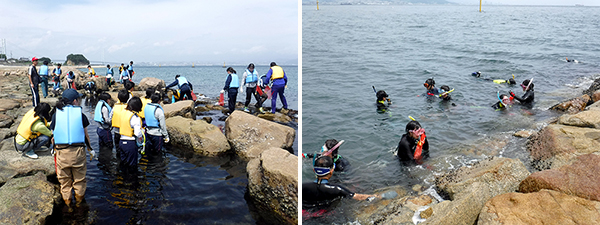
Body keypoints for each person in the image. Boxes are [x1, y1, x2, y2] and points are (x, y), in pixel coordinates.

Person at [51, 88, 93, 208]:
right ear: (75, 101)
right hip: (78, 153)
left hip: (61, 152)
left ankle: (68, 205)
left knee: (64, 182)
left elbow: (53, 135)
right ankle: (79, 204)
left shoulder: (55, 114)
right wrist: (91, 150)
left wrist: (53, 148)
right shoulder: (81, 115)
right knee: (79, 180)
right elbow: (86, 135)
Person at [302, 156, 378, 209]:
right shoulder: (337, 189)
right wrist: (377, 196)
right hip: (327, 214)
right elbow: (358, 197)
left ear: (314, 171)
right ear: (331, 171)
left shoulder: (303, 186)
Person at [119, 97, 144, 167]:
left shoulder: (123, 112)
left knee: (123, 163)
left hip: (121, 141)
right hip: (130, 143)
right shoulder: (135, 117)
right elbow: (137, 133)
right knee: (132, 165)